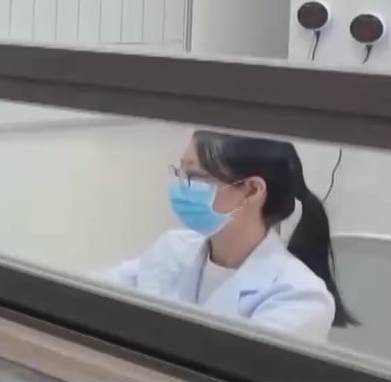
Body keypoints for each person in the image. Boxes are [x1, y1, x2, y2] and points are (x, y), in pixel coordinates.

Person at [104, 130, 356, 343]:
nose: (180, 185)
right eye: (180, 171)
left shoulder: (301, 298)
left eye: (194, 176)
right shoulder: (173, 247)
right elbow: (98, 296)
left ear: (251, 190)